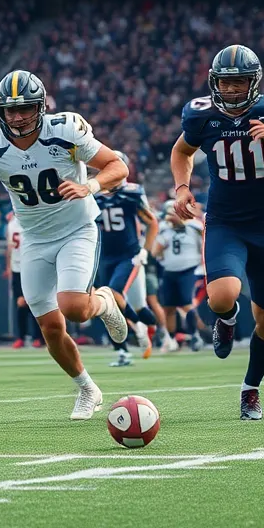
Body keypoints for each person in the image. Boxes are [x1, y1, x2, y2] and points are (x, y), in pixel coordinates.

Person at [170, 44, 264, 420]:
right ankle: (226, 319)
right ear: (214, 82)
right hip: (225, 222)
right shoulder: (202, 115)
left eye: (239, 82)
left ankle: (250, 388)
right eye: (225, 83)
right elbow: (181, 152)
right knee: (222, 297)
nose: (232, 90)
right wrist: (182, 187)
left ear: (254, 82)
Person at [0, 69, 129, 421]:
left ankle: (103, 302)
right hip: (34, 239)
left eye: (24, 108)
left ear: (40, 106)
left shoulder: (65, 130)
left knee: (74, 308)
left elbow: (117, 166)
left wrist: (90, 186)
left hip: (77, 230)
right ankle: (87, 388)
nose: (17, 117)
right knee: (51, 329)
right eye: (10, 110)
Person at [94, 149, 160, 366]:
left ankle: (141, 328)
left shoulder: (131, 193)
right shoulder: (94, 196)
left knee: (114, 294)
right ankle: (122, 350)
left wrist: (145, 250)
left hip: (128, 255)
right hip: (105, 256)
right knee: (107, 304)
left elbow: (152, 222)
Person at [156, 200, 204, 353]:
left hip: (190, 269)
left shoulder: (194, 226)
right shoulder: (164, 228)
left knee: (187, 303)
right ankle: (171, 340)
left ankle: (195, 335)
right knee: (168, 307)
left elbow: (206, 240)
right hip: (169, 270)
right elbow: (155, 251)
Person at [5, 211, 40, 348]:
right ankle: (21, 336)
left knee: (35, 303)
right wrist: (8, 266)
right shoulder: (12, 223)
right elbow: (9, 247)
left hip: (33, 266)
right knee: (20, 304)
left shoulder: (34, 218)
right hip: (17, 267)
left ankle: (38, 337)